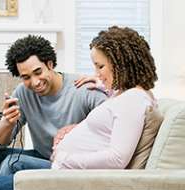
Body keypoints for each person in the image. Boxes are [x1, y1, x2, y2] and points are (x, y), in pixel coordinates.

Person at [0, 35, 106, 190]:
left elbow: (113, 123)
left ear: (50, 64)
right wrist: (7, 122)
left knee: (11, 163)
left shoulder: (83, 89)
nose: (35, 82)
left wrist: (105, 87)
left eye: (38, 72)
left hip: (68, 164)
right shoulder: (23, 92)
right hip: (41, 156)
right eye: (26, 77)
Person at [51, 26, 158, 169]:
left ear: (121, 65)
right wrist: (105, 87)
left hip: (70, 175)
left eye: (100, 66)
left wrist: (64, 158)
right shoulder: (126, 95)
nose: (96, 73)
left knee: (15, 169)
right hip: (65, 173)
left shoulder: (133, 100)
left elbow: (117, 159)